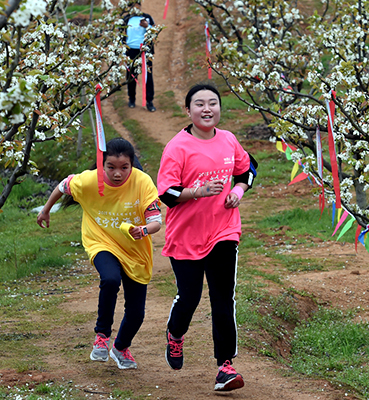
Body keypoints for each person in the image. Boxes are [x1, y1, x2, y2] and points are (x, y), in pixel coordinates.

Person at [157, 82, 257, 392]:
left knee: (222, 298)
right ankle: (175, 335)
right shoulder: (177, 146)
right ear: (188, 110)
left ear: (219, 109)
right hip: (185, 236)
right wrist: (198, 192)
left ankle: (225, 366)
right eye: (199, 104)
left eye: (212, 103)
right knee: (190, 298)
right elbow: (167, 194)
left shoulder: (228, 140)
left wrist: (238, 191)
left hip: (224, 231)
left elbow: (248, 168)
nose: (207, 108)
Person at [37, 138, 162, 370]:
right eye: (111, 167)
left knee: (137, 313)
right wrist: (45, 211)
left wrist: (143, 230)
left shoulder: (143, 182)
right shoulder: (87, 180)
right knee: (110, 279)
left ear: (132, 165)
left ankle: (120, 348)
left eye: (124, 167)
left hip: (135, 250)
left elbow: (156, 221)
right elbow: (62, 186)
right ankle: (102, 337)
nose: (117, 174)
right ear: (101, 165)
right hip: (101, 241)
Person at [123, 1, 156, 112]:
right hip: (130, 51)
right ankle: (131, 98)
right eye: (133, 5)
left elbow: (154, 32)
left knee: (148, 76)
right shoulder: (126, 19)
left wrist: (148, 26)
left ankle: (149, 101)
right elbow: (121, 34)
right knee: (131, 75)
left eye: (137, 5)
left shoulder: (147, 18)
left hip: (144, 51)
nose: (135, 7)